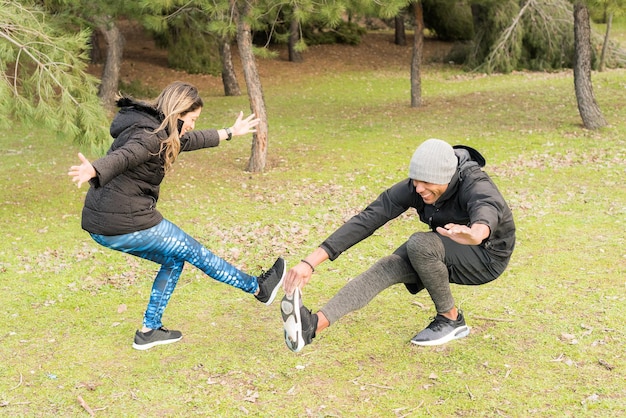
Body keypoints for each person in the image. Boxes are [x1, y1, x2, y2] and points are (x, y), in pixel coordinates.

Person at [68, 81, 286, 351]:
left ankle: (149, 331)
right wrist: (96, 170)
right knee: (194, 251)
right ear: (178, 112)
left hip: (104, 223)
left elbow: (190, 140)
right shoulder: (150, 137)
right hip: (123, 219)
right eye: (192, 118)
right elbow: (126, 156)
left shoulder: (156, 128)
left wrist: (230, 132)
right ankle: (258, 288)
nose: (193, 124)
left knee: (174, 261)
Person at [280, 138, 515, 352]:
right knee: (387, 267)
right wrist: (309, 263)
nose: (418, 188)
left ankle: (450, 319)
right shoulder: (418, 187)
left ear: (446, 176)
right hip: (445, 248)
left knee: (420, 244)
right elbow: (367, 219)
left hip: (487, 256)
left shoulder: (475, 183)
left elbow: (487, 207)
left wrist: (476, 233)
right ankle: (311, 327)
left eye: (425, 182)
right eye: (415, 181)